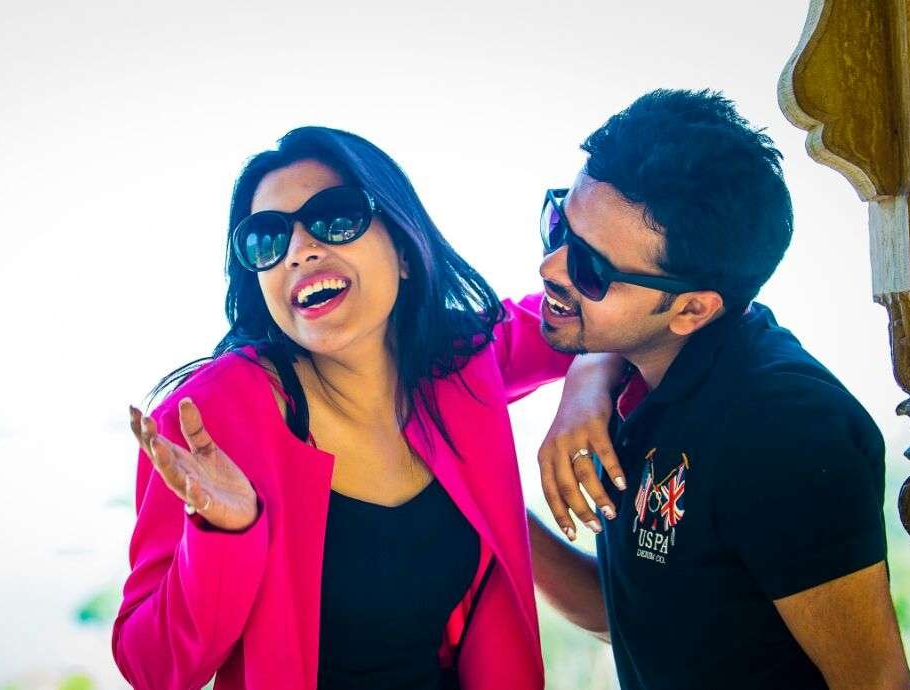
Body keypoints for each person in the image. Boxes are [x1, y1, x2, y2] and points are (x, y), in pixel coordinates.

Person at [111, 126, 613, 690]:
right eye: (267, 239)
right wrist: (221, 534)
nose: (299, 250)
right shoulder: (202, 420)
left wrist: (586, 389)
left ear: (404, 250)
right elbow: (152, 667)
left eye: (335, 217)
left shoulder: (461, 361)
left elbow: (604, 319)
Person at [528, 89, 910, 689]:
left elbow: (875, 682)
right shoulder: (645, 381)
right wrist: (489, 506)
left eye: (590, 270)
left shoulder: (783, 430)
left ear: (692, 310)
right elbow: (641, 618)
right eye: (558, 222)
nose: (550, 268)